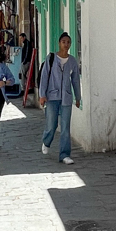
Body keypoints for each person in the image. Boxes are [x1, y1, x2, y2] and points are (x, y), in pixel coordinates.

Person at [39, 31, 82, 165]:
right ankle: (46, 141)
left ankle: (64, 154)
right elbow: (44, 77)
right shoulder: (51, 58)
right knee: (52, 125)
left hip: (67, 98)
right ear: (59, 43)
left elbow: (75, 80)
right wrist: (42, 95)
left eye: (68, 42)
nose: (66, 44)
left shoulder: (73, 61)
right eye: (63, 42)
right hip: (52, 96)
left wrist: (78, 97)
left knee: (65, 127)